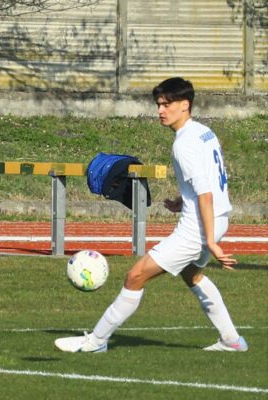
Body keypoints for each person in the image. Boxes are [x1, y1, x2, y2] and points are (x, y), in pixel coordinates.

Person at [55, 77, 247, 353]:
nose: (160, 111)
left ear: (185, 105)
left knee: (135, 276)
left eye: (166, 105)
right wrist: (184, 201)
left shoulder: (183, 144)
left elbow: (205, 194)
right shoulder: (205, 132)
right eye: (158, 105)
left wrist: (211, 243)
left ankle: (96, 342)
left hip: (199, 228)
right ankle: (232, 340)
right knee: (192, 275)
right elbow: (209, 180)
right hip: (218, 219)